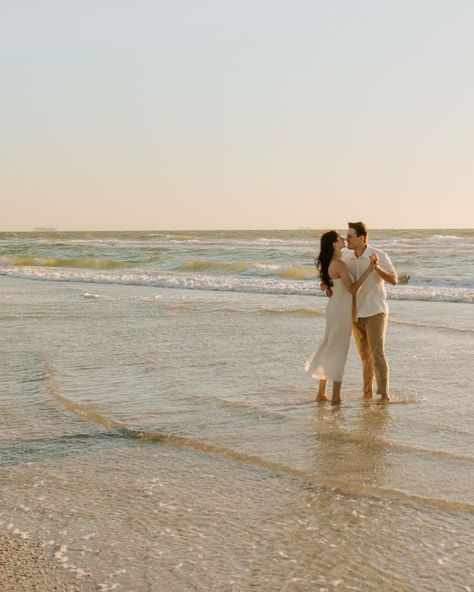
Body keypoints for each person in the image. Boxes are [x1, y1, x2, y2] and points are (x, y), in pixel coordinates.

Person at [305, 230, 375, 404]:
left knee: (331, 347)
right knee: (338, 350)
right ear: (334, 245)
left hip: (336, 309)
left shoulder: (334, 262)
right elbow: (352, 290)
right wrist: (370, 270)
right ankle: (335, 396)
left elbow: (330, 287)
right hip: (340, 312)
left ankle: (322, 393)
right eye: (340, 238)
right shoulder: (339, 264)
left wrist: (326, 288)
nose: (344, 239)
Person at [341, 221, 397, 401]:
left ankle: (384, 394)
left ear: (361, 238)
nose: (346, 239)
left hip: (376, 311)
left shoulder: (378, 254)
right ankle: (367, 393)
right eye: (346, 236)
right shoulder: (347, 259)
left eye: (350, 236)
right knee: (365, 356)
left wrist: (377, 267)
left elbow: (394, 280)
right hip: (356, 314)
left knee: (377, 353)